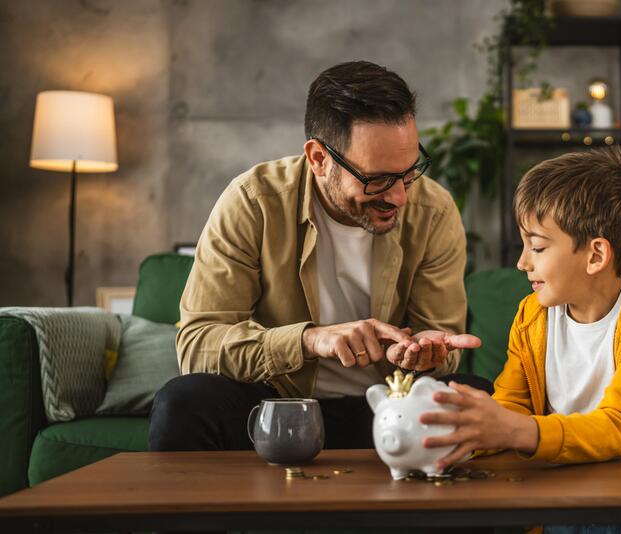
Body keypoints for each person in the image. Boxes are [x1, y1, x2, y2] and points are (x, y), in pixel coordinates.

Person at [149, 60, 485, 453]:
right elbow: (198, 345)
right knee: (184, 402)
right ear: (319, 159)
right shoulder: (253, 201)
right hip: (275, 407)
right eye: (378, 179)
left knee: (476, 397)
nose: (399, 196)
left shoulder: (434, 210)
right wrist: (309, 340)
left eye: (410, 171)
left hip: (390, 408)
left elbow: (439, 344)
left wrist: (417, 356)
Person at [420, 148, 621, 534]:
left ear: (595, 255)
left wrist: (516, 431)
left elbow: (616, 428)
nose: (522, 262)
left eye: (538, 246)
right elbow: (511, 403)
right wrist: (463, 435)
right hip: (557, 486)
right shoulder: (533, 316)